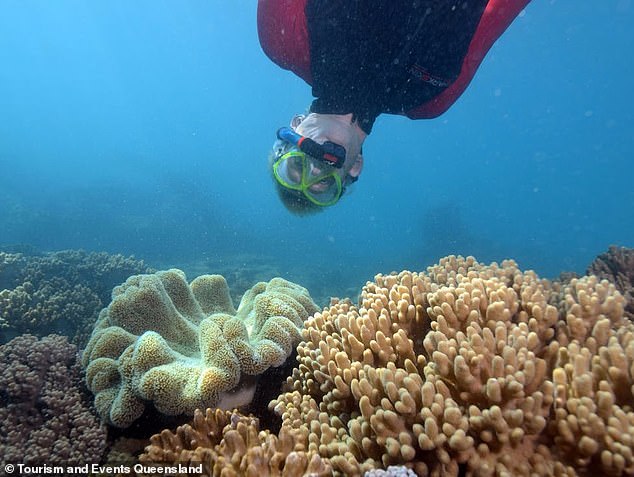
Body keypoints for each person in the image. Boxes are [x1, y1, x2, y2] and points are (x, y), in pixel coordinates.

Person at [258, 0, 531, 213]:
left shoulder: (283, 43)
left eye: (296, 168)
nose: (316, 169)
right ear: (354, 169)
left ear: (295, 128)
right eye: (324, 184)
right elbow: (498, 11)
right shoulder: (431, 101)